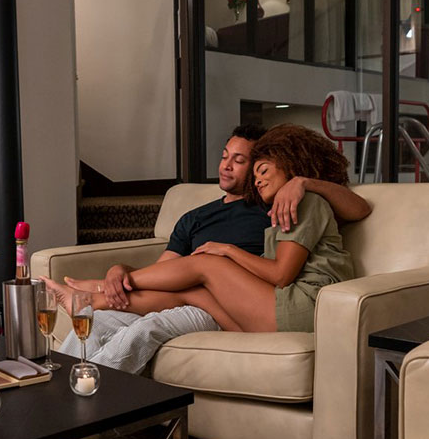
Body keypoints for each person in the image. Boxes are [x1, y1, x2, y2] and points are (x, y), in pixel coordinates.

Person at [54, 124, 368, 371]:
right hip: (241, 300)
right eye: (225, 156)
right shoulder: (201, 216)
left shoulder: (289, 203)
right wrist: (119, 270)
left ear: (289, 165)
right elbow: (168, 272)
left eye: (247, 163)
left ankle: (94, 295)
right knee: (113, 317)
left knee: (201, 268)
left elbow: (283, 273)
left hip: (292, 305)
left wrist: (301, 183)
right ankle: (61, 391)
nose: (231, 167)